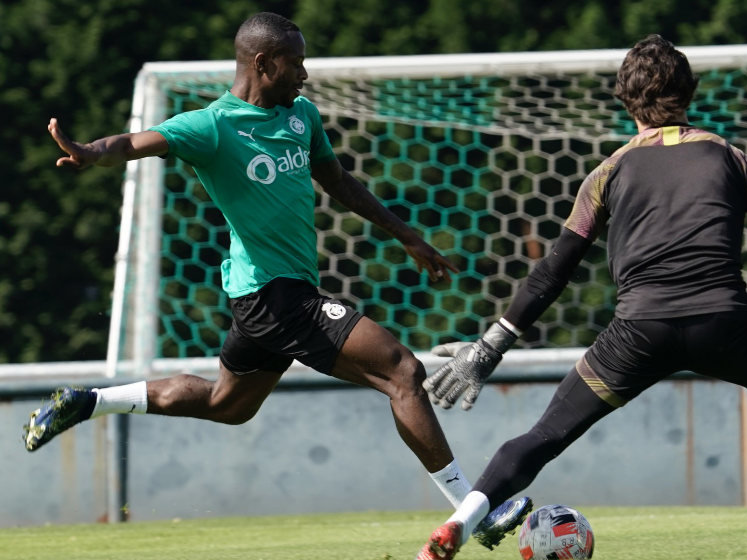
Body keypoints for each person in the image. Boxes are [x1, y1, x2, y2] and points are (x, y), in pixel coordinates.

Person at [415, 34, 747, 559]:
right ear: (690, 93)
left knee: (545, 434)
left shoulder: (606, 174)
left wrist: (488, 349)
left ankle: (460, 524)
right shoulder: (732, 159)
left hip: (637, 334)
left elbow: (551, 273)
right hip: (724, 328)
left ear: (624, 99)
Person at [24, 12, 530, 548]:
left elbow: (337, 180)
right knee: (402, 371)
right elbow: (132, 142)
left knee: (228, 405)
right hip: (273, 295)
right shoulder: (212, 126)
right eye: (296, 63)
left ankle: (88, 401)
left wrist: (404, 233)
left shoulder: (301, 116)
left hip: (264, 297)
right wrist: (89, 152)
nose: (305, 75)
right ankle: (475, 515)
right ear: (264, 64)